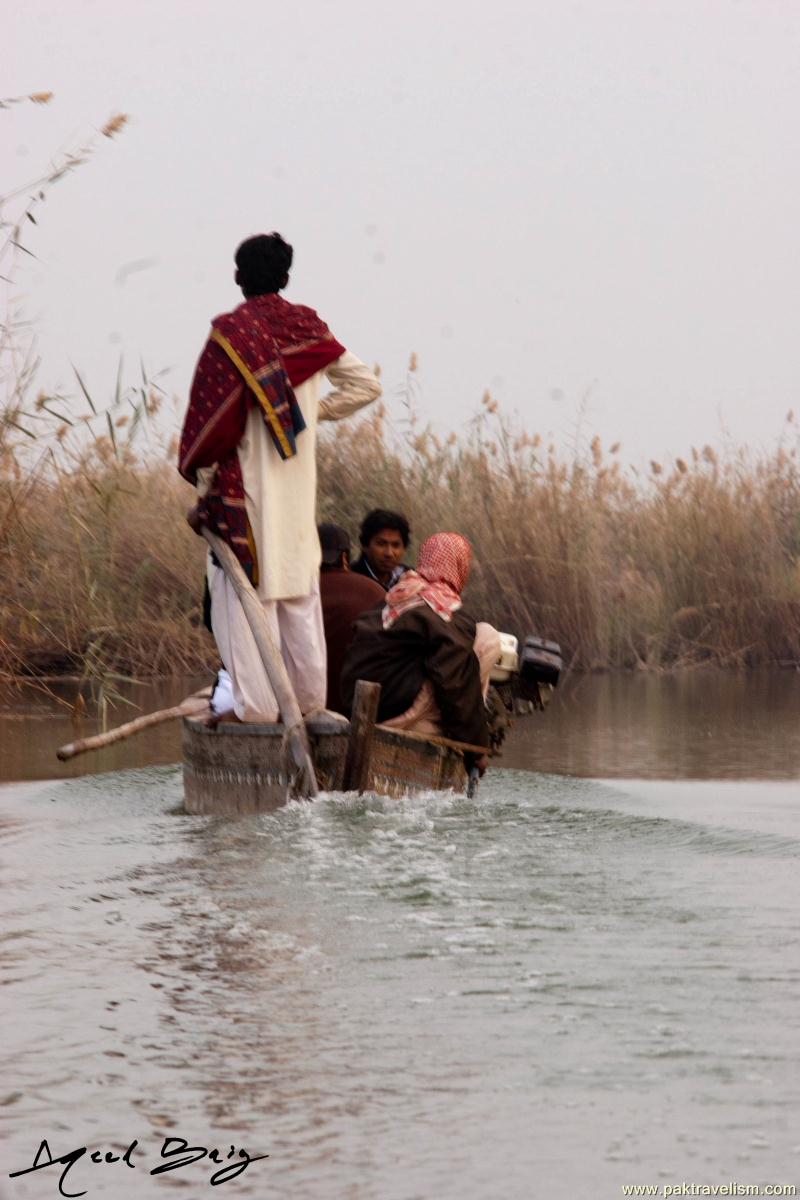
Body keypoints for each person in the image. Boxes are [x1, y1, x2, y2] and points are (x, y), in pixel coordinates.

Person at [179, 232, 381, 723]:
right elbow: (367, 386)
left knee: (245, 604)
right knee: (298, 599)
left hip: (245, 501)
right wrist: (310, 414)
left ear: (238, 277)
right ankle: (311, 710)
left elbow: (206, 437)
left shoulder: (230, 335)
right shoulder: (306, 329)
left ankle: (258, 713)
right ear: (286, 278)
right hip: (295, 507)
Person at [340, 532, 500, 769]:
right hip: (399, 714)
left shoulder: (393, 597)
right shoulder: (447, 611)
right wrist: (475, 749)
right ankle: (433, 729)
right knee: (488, 637)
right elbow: (454, 681)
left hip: (360, 711)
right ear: (460, 567)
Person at [318, 522, 384, 715]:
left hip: (299, 710)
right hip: (361, 711)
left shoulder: (295, 595)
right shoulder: (375, 592)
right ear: (345, 558)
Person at [350, 508, 411, 589]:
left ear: (404, 549)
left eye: (395, 545)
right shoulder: (350, 579)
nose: (389, 553)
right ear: (365, 546)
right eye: (381, 544)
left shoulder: (411, 580)